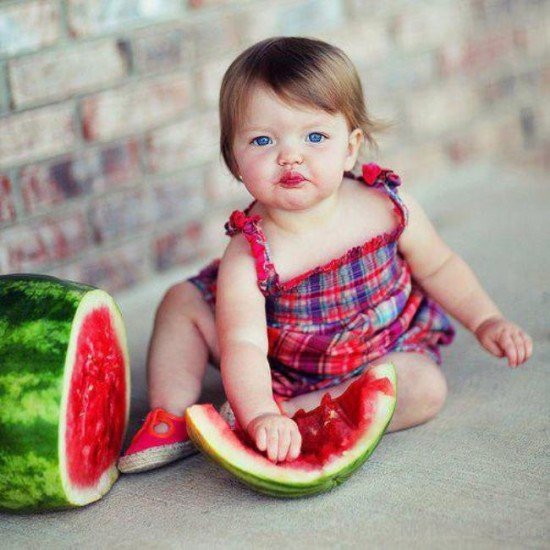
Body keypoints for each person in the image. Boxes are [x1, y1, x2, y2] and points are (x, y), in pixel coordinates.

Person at [117, 36, 533, 473]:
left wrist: (486, 318)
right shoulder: (248, 254)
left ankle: (287, 413)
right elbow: (243, 344)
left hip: (380, 349)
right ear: (234, 160)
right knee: (180, 303)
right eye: (262, 141)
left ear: (350, 147)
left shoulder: (386, 207)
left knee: (426, 388)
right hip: (281, 363)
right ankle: (172, 415)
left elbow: (440, 265)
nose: (290, 156)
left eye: (315, 136)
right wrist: (258, 406)